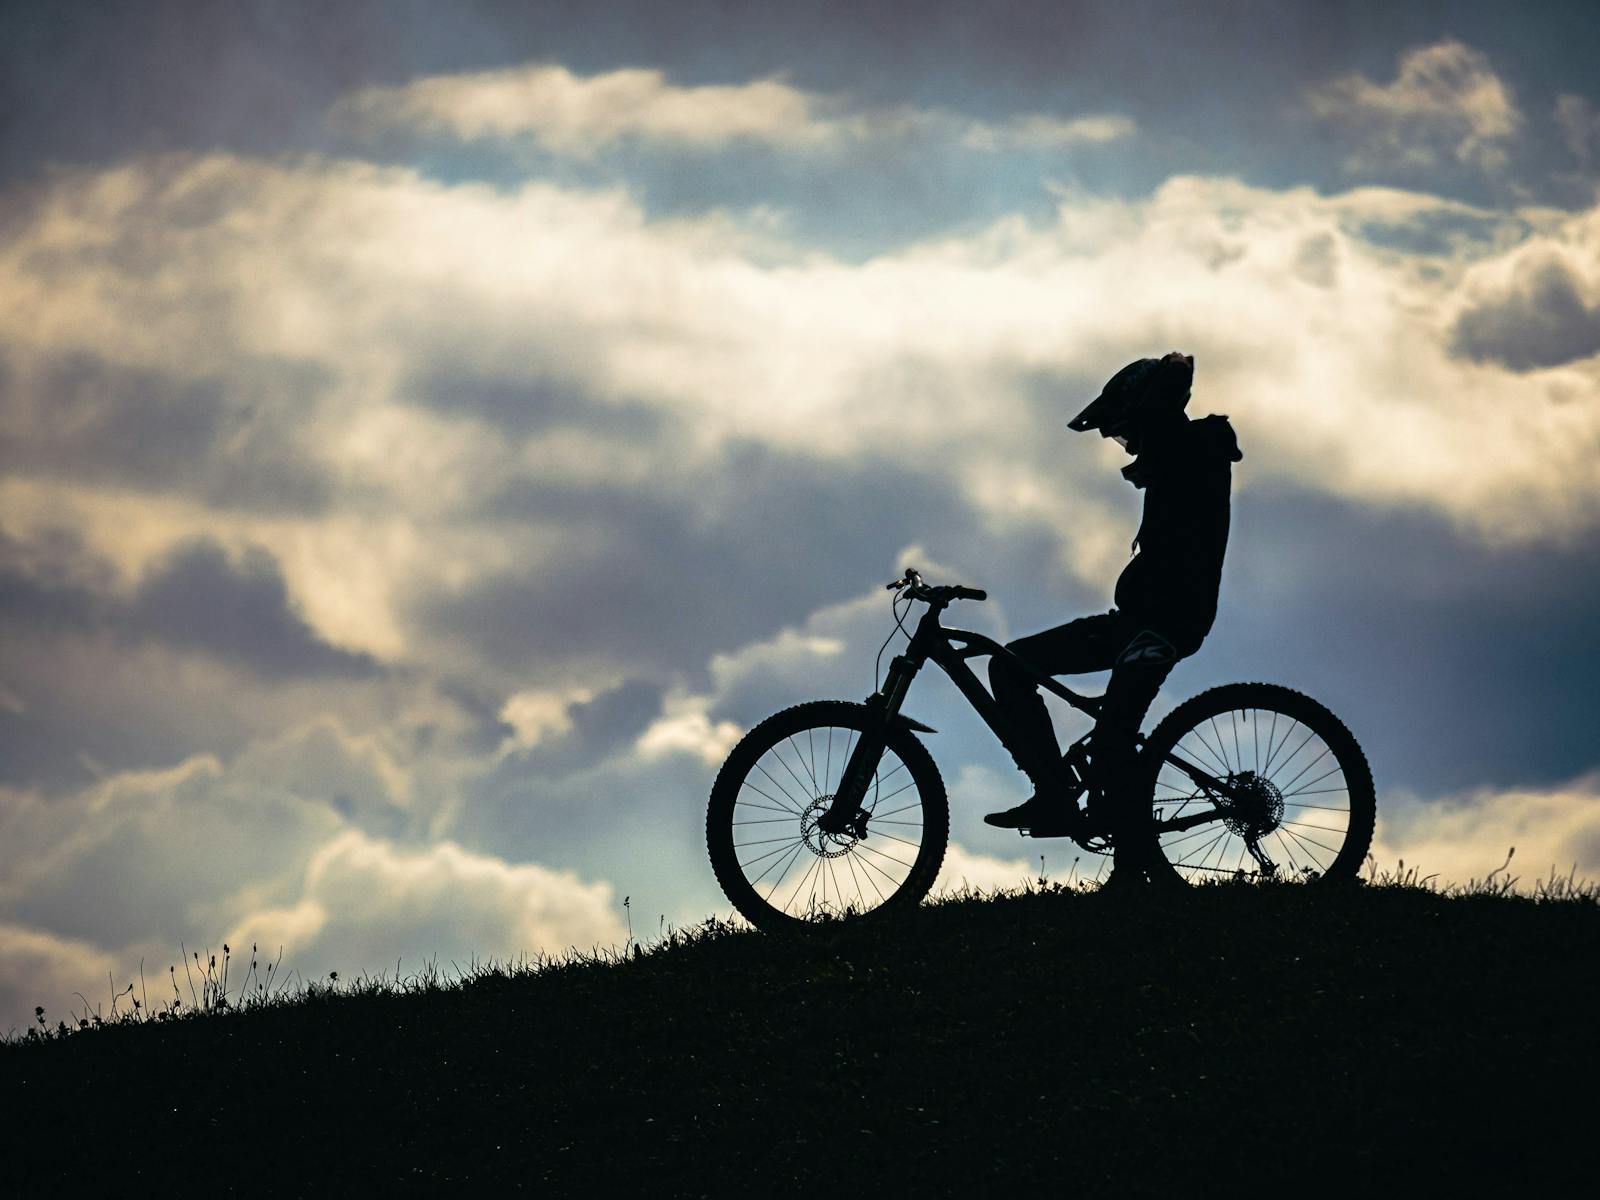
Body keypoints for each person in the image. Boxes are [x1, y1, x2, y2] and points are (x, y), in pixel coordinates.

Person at [983, 351, 1241, 876]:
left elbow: (1171, 461)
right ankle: (1059, 797)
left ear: (1150, 417)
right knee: (1011, 667)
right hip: (1141, 621)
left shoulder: (1189, 450)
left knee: (1113, 739)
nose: (1126, 445)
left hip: (1164, 623)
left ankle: (1128, 866)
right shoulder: (1184, 451)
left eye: (1126, 431)